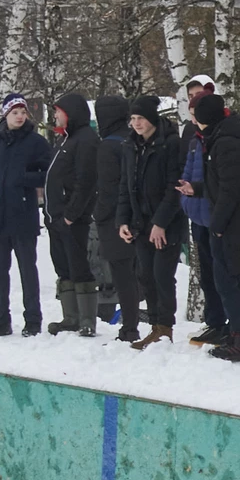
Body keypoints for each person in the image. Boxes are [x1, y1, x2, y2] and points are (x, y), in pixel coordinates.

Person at [191, 93, 240, 363]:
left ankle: (239, 338)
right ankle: (236, 334)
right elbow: (221, 183)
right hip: (234, 220)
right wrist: (198, 189)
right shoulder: (225, 137)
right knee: (228, 280)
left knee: (227, 280)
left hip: (234, 223)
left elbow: (230, 189)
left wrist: (218, 225)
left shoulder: (226, 142)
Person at [0, 94, 52, 337]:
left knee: (27, 270)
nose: (19, 116)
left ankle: (33, 320)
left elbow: (48, 173)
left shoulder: (36, 142)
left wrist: (23, 179)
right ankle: (0, 320)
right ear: (6, 115)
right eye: (14, 112)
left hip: (23, 213)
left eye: (23, 112)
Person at [120, 96, 187, 350]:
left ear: (152, 119)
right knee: (145, 275)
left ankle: (165, 327)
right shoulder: (130, 145)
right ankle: (155, 326)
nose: (136, 123)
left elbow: (174, 188)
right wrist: (123, 220)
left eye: (141, 118)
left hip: (166, 223)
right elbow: (125, 186)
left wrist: (161, 222)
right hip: (140, 222)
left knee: (162, 275)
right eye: (133, 119)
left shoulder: (170, 143)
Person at [43, 92, 101, 336]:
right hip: (55, 216)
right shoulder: (65, 139)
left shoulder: (86, 139)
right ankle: (71, 317)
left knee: (79, 267)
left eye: (58, 111)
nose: (55, 116)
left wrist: (71, 214)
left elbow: (86, 181)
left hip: (72, 218)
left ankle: (87, 320)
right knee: (63, 266)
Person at [178, 75, 228, 345]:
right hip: (197, 212)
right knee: (205, 272)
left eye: (199, 96)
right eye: (190, 98)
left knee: (223, 272)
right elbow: (185, 167)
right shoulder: (190, 132)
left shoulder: (222, 131)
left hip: (216, 212)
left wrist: (196, 190)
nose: (194, 103)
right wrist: (186, 199)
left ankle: (232, 325)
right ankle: (214, 321)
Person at [90, 95, 139, 344]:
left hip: (114, 219)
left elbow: (107, 187)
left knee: (122, 275)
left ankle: (130, 327)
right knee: (137, 273)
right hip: (138, 215)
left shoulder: (108, 146)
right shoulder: (133, 140)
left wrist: (98, 213)